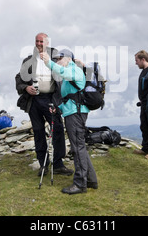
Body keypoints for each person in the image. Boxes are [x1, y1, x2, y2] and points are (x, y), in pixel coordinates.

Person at [15, 33, 73, 177]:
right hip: (33, 101)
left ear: (47, 43)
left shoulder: (56, 57)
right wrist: (25, 88)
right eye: (37, 41)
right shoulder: (28, 60)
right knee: (38, 131)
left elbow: (67, 69)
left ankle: (58, 164)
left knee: (58, 129)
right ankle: (43, 164)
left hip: (51, 99)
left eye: (42, 41)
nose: (39, 43)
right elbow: (19, 78)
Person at [41, 49, 98, 194]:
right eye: (55, 59)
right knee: (80, 147)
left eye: (59, 58)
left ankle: (80, 184)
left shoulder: (74, 70)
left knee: (77, 148)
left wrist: (48, 62)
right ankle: (91, 180)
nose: (57, 61)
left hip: (76, 114)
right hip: (73, 112)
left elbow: (61, 72)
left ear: (68, 58)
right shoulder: (70, 73)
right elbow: (70, 97)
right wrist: (58, 108)